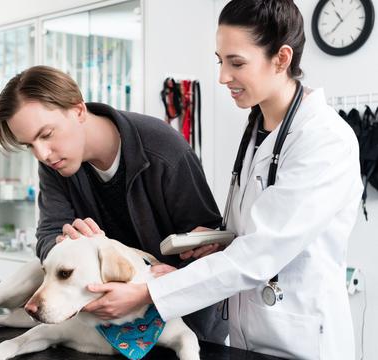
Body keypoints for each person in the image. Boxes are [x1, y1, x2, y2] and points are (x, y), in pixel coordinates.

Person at [70, 1, 363, 359]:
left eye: (236, 62)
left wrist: (151, 292)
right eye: (219, 60)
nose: (223, 76)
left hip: (302, 339)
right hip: (247, 333)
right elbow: (255, 234)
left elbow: (259, 255)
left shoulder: (324, 139)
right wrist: (218, 242)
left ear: (282, 59)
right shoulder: (258, 128)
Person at [0, 65, 228, 343]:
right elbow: (46, 239)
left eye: (46, 135)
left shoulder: (166, 151)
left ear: (78, 111)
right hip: (106, 327)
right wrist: (66, 244)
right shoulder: (53, 165)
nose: (42, 153)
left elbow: (210, 249)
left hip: (184, 326)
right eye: (29, 145)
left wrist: (162, 283)